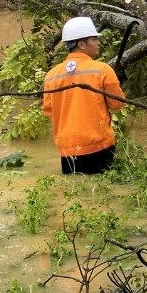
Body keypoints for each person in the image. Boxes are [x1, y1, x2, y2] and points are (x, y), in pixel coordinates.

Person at [42, 16, 125, 175]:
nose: (98, 43)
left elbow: (49, 111)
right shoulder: (102, 70)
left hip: (67, 149)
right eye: (94, 39)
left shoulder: (51, 75)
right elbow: (118, 104)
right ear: (81, 44)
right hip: (99, 146)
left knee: (74, 194)